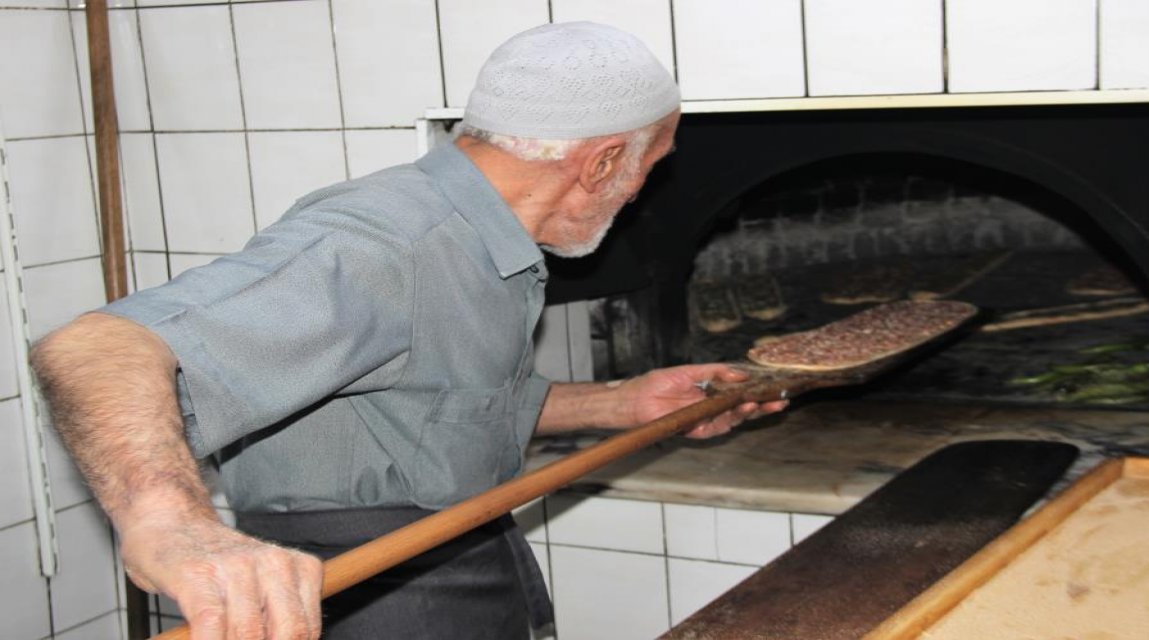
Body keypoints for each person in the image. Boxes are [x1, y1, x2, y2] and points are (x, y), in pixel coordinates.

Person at [31, 21, 786, 640]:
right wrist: (171, 524)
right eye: (653, 163)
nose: (645, 187)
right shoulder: (388, 244)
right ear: (603, 161)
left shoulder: (487, 244)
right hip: (362, 588)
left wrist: (624, 403)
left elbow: (439, 401)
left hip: (456, 545)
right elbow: (96, 348)